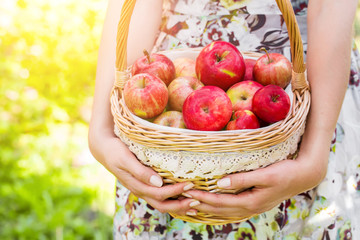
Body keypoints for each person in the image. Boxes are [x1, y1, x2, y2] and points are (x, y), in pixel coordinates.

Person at [88, 0, 360, 239]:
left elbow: (330, 6)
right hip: (176, 88)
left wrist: (313, 159)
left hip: (298, 89)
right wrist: (101, 128)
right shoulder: (166, 92)